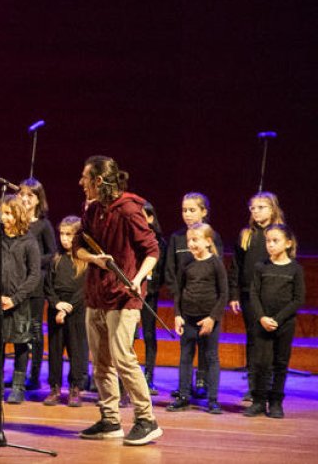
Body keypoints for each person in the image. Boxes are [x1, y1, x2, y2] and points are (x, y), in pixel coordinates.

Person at [73, 155, 162, 446]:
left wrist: (137, 280)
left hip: (124, 297)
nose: (80, 182)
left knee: (123, 357)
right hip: (96, 294)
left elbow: (152, 250)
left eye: (85, 177)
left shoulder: (128, 208)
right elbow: (78, 246)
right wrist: (94, 259)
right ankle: (110, 419)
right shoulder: (93, 209)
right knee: (99, 362)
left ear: (98, 180)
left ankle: (146, 419)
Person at [0, 194, 41, 404]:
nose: (3, 216)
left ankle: (18, 386)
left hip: (19, 304)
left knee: (21, 344)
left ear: (18, 215)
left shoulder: (29, 242)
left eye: (8, 213)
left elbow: (34, 275)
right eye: (1, 212)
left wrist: (15, 299)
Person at [162, 192, 223, 400]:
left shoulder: (213, 249)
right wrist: (178, 299)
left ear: (203, 212)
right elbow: (171, 271)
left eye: (192, 210)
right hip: (186, 301)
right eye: (184, 210)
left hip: (207, 306)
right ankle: (184, 391)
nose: (187, 214)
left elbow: (219, 282)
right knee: (186, 352)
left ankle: (205, 383)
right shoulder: (177, 239)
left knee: (208, 352)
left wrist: (213, 314)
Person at [230, 192, 286, 402]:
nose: (255, 211)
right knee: (253, 340)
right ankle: (255, 387)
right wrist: (234, 294)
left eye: (261, 207)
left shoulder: (279, 235)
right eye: (252, 208)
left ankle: (270, 386)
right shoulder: (246, 235)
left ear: (272, 209)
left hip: (272, 295)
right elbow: (236, 265)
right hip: (248, 295)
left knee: (270, 340)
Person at [246, 223, 305, 418]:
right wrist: (262, 316)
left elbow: (298, 299)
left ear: (288, 243)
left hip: (284, 324)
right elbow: (254, 293)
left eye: (275, 241)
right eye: (268, 241)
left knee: (280, 362)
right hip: (262, 323)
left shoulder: (295, 269)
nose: (270, 245)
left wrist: (278, 319)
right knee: (261, 364)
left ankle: (276, 402)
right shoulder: (261, 266)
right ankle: (259, 401)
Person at [43, 216, 88, 408]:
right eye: (61, 234)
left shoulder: (85, 261)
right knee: (55, 349)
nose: (64, 238)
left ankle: (75, 387)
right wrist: (56, 304)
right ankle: (55, 387)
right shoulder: (56, 258)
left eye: (69, 235)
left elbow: (84, 289)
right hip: (57, 308)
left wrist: (68, 307)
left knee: (76, 349)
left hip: (76, 310)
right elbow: (48, 286)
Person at [17, 178, 55, 393]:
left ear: (38, 199)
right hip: (17, 283)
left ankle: (34, 375)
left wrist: (33, 262)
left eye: (29, 195)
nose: (24, 198)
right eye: (21, 194)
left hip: (36, 284)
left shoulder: (43, 224)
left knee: (34, 329)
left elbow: (52, 253)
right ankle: (18, 374)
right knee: (17, 328)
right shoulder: (15, 222)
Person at [138, 201, 168, 394]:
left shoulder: (160, 243)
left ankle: (149, 376)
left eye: (143, 216)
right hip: (131, 292)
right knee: (127, 335)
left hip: (149, 294)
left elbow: (162, 270)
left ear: (150, 218)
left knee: (149, 334)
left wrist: (151, 288)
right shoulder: (131, 238)